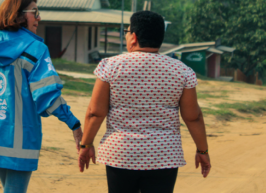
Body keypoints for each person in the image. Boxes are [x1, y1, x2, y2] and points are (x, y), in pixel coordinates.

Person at [0, 0, 83, 193]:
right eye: (34, 12)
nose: (39, 18)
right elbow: (47, 96)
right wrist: (74, 124)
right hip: (22, 139)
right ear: (18, 14)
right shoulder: (36, 49)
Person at [78, 11, 211, 193]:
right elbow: (193, 117)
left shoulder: (111, 66)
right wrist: (202, 151)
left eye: (127, 31)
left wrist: (85, 145)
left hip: (121, 154)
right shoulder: (182, 71)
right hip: (164, 157)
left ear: (134, 37)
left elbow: (95, 112)